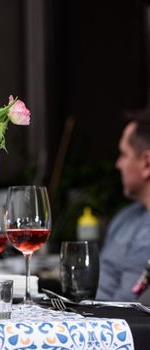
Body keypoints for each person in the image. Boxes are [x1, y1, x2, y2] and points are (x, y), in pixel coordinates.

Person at [96, 113, 150, 301]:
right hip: (85, 317)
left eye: (123, 154)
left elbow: (127, 307)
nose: (118, 164)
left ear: (146, 163)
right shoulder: (125, 217)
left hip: (111, 327)